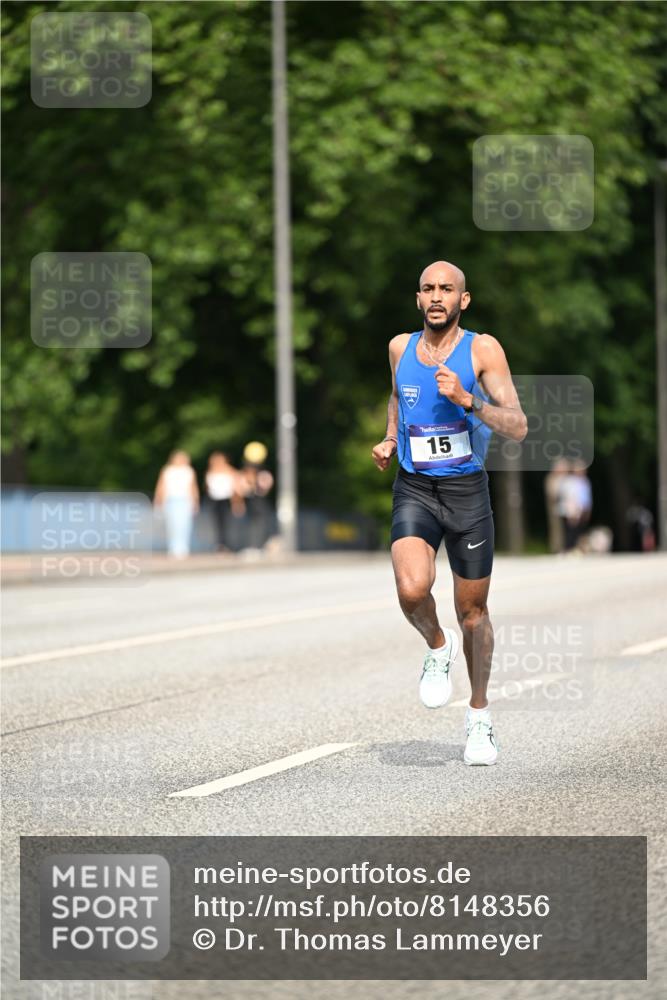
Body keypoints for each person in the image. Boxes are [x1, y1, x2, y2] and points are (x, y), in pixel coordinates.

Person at [372, 260, 527, 766]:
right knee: (412, 588)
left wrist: (468, 401)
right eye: (428, 288)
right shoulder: (399, 347)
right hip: (415, 486)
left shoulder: (482, 349)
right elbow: (398, 395)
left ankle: (479, 717)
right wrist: (392, 437)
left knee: (473, 614)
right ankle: (436, 648)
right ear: (418, 299)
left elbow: (518, 425)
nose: (437, 296)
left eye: (447, 289)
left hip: (466, 494)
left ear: (464, 300)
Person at [153, 450, 199, 559]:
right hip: (170, 500)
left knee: (184, 525)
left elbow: (193, 487)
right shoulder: (167, 470)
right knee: (172, 525)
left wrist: (195, 501)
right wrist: (158, 500)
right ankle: (173, 548)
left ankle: (183, 548)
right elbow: (161, 486)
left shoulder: (189, 471)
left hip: (185, 500)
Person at [205, 451, 244, 552]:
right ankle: (220, 544)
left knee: (228, 523)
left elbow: (236, 488)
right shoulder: (210, 471)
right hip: (214, 500)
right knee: (217, 523)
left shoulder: (230, 471)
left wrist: (237, 502)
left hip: (227, 500)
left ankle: (229, 544)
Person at [240, 442, 275, 551]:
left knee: (260, 525)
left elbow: (265, 488)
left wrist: (254, 483)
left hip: (260, 504)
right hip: (251, 503)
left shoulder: (264, 474)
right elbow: (242, 489)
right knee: (252, 525)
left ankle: (259, 546)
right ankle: (254, 546)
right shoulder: (244, 475)